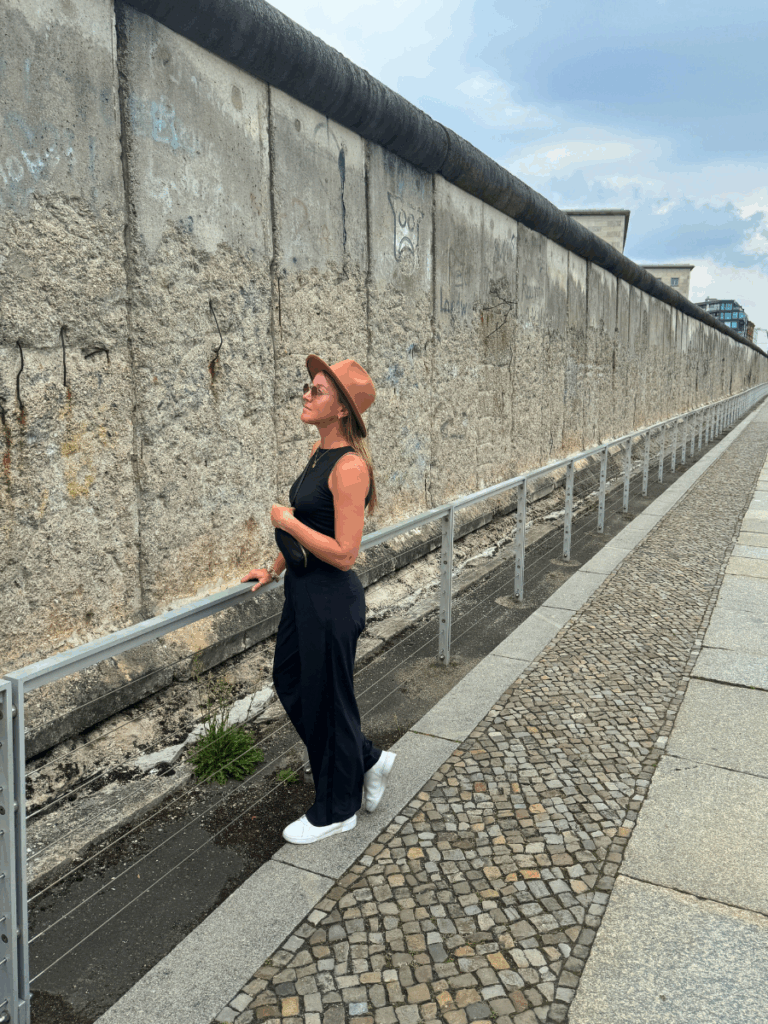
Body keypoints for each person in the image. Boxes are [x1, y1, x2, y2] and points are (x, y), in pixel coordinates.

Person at [241, 354, 396, 844]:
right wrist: (274, 566)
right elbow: (314, 526)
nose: (306, 396)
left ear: (342, 410)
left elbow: (345, 553)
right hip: (302, 593)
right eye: (307, 388)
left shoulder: (349, 467)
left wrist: (285, 522)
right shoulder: (317, 452)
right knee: (290, 680)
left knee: (328, 699)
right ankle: (366, 758)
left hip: (331, 599)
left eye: (318, 391)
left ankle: (336, 810)